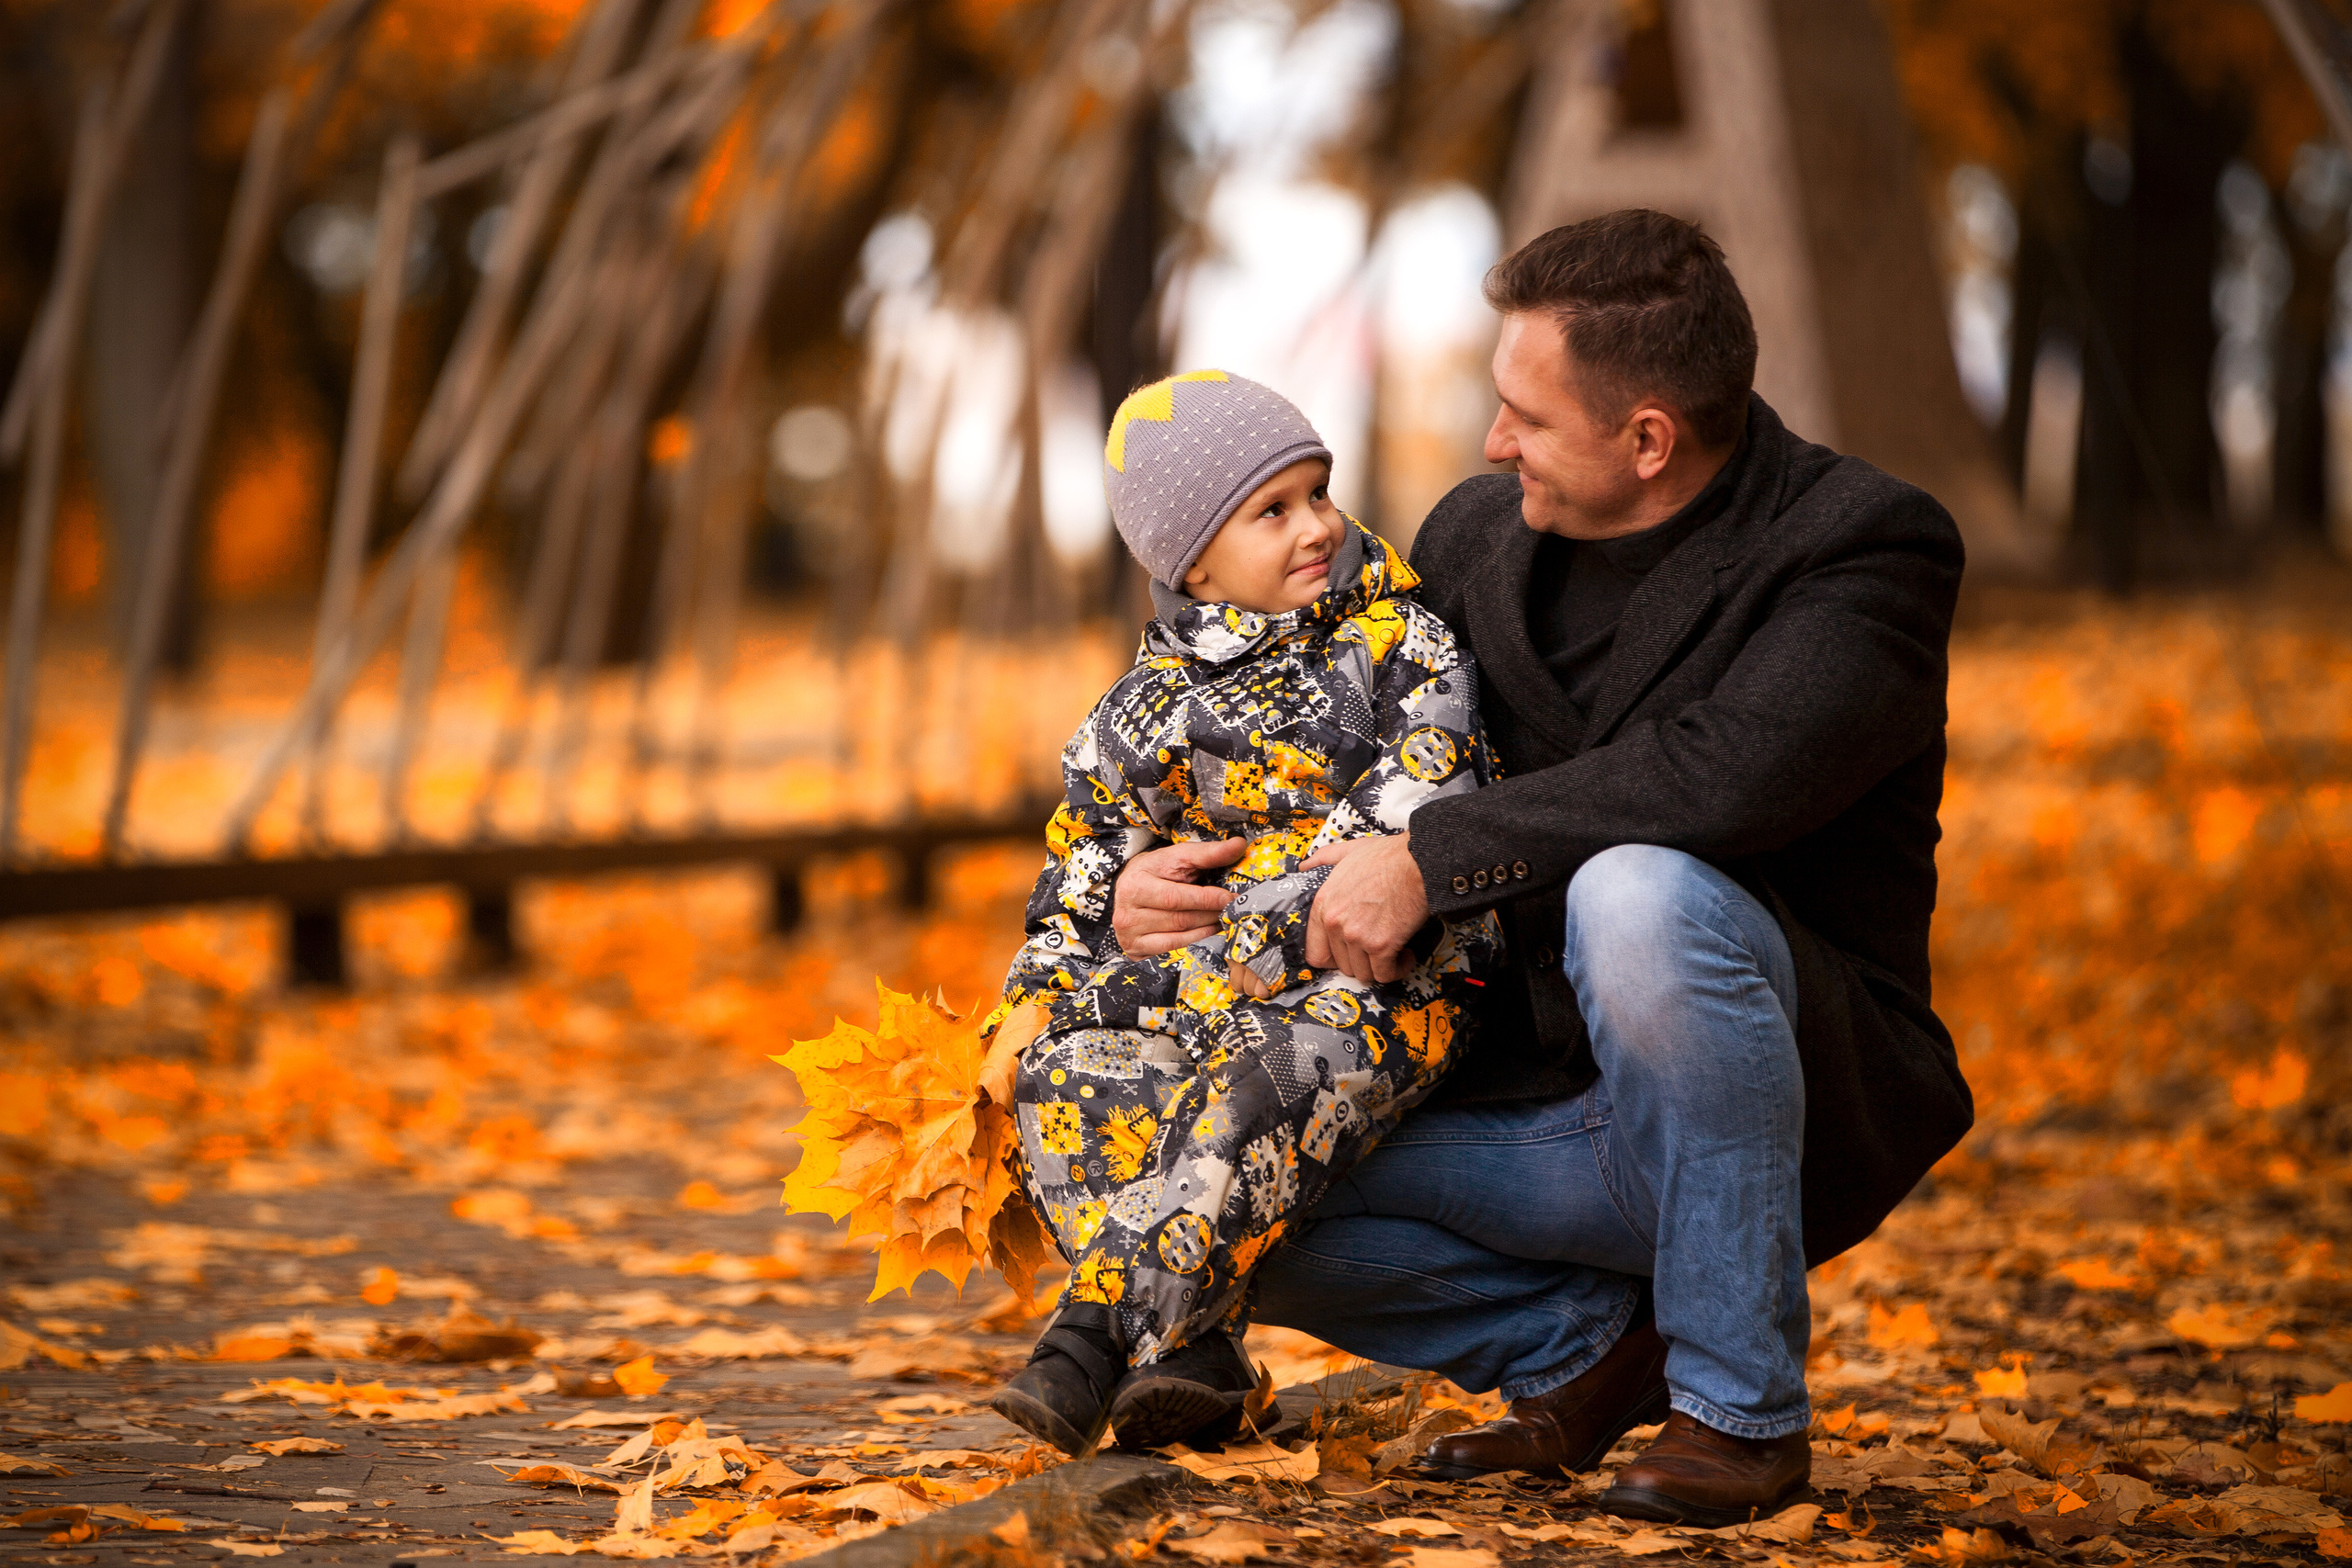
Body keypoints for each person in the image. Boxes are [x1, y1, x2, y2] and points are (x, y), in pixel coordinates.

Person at [1112, 211, 1975, 1527]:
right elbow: (1321, 740)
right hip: (1518, 1095)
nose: (1490, 441)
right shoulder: (1471, 536)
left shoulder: (1861, 545)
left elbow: (1724, 774)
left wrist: (1431, 856)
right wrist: (1141, 879)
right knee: (1180, 1159)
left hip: (1770, 1101)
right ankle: (1577, 1350)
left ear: (1647, 439)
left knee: (1642, 888)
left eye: (1524, 413)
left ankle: (1740, 1412)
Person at [981, 370, 1504, 1458]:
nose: (1317, 524)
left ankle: (1088, 1332)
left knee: (1252, 1083)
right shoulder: (1141, 709)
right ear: (1191, 563)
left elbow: (1397, 840)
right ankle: (1193, 1355)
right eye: (1273, 510)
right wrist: (1048, 993)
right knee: (1065, 1079)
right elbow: (1078, 874)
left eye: (1317, 492)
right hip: (1186, 998)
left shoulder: (1403, 646)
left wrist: (1221, 937)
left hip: (1375, 993)